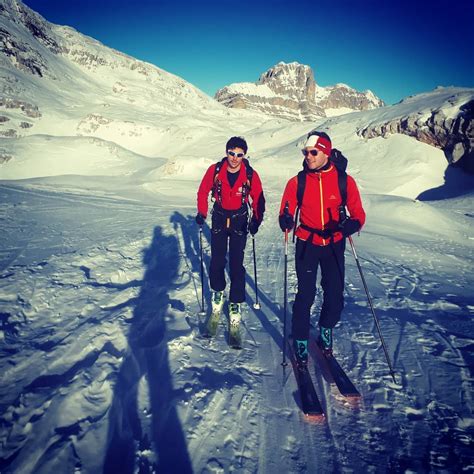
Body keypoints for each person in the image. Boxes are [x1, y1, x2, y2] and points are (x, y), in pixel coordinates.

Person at [279, 131, 366, 367]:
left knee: (335, 295)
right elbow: (285, 210)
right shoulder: (297, 181)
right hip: (307, 243)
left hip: (334, 243)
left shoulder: (344, 181)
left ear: (326, 152)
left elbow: (359, 214)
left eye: (313, 152)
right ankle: (300, 340)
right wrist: (285, 220)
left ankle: (326, 330)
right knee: (305, 295)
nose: (308, 156)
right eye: (305, 152)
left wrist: (353, 224)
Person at [196, 136, 265, 333]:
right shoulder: (215, 170)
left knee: (236, 262)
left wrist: (256, 220)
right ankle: (218, 293)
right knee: (217, 259)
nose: (234, 158)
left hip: (239, 219)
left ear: (244, 155)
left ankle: (235, 302)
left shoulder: (250, 174)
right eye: (231, 153)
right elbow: (203, 191)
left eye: (239, 154)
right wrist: (201, 212)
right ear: (226, 152)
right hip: (219, 216)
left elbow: (258, 198)